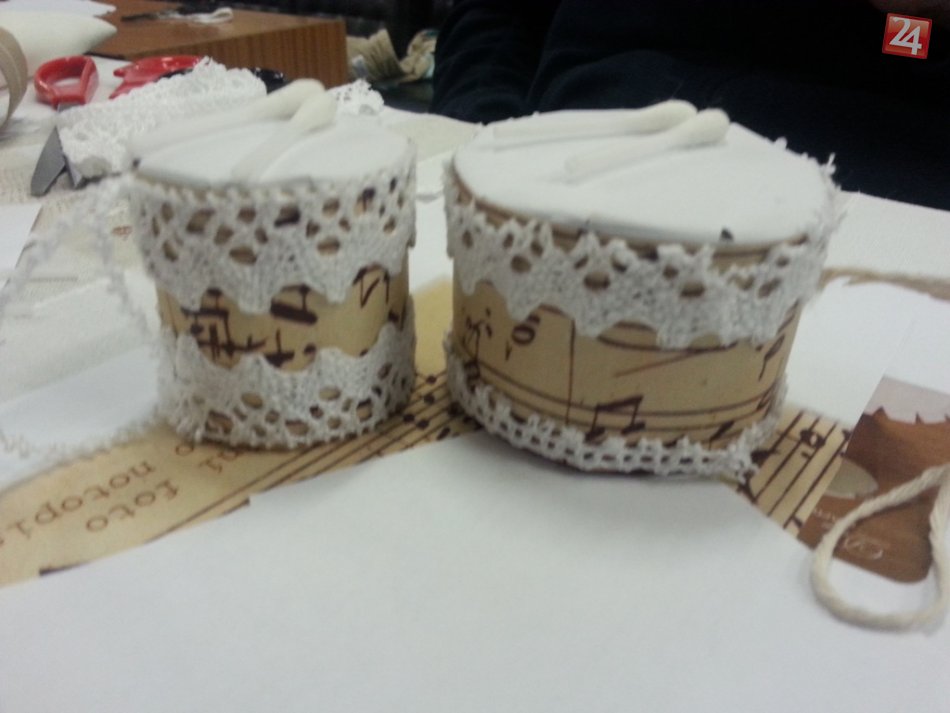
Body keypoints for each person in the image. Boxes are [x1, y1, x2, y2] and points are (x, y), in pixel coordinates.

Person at [431, 0, 950, 210]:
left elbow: (913, 39)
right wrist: (480, 145)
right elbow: (498, 14)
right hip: (556, 193)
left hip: (882, 214)